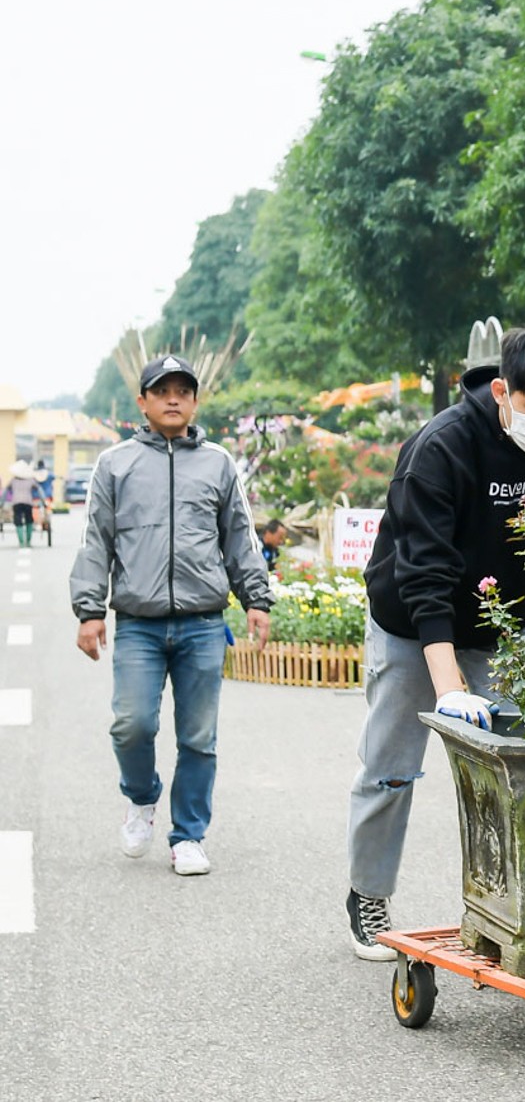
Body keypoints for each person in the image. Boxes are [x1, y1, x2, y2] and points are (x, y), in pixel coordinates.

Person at [344, 321, 525, 961]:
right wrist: (448, 687)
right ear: (504, 391)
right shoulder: (442, 446)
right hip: (412, 624)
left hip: (500, 625)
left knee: (522, 768)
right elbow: (424, 573)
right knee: (392, 769)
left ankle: (518, 908)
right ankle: (368, 896)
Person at [68, 355, 274, 877]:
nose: (174, 398)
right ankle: (141, 799)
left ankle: (188, 836)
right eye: (162, 391)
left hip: (204, 623)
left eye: (183, 390)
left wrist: (257, 600)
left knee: (198, 737)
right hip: (138, 622)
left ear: (195, 401)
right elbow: (97, 540)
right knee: (131, 725)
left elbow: (240, 538)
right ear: (144, 402)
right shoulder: (115, 464)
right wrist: (89, 610)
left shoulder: (218, 463)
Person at [6, 460, 36, 549]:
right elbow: (38, 489)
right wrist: (43, 501)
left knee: (18, 521)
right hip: (28, 502)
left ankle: (21, 542)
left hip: (16, 503)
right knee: (29, 520)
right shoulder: (31, 480)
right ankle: (28, 541)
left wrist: (2, 502)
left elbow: (5, 491)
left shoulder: (13, 480)